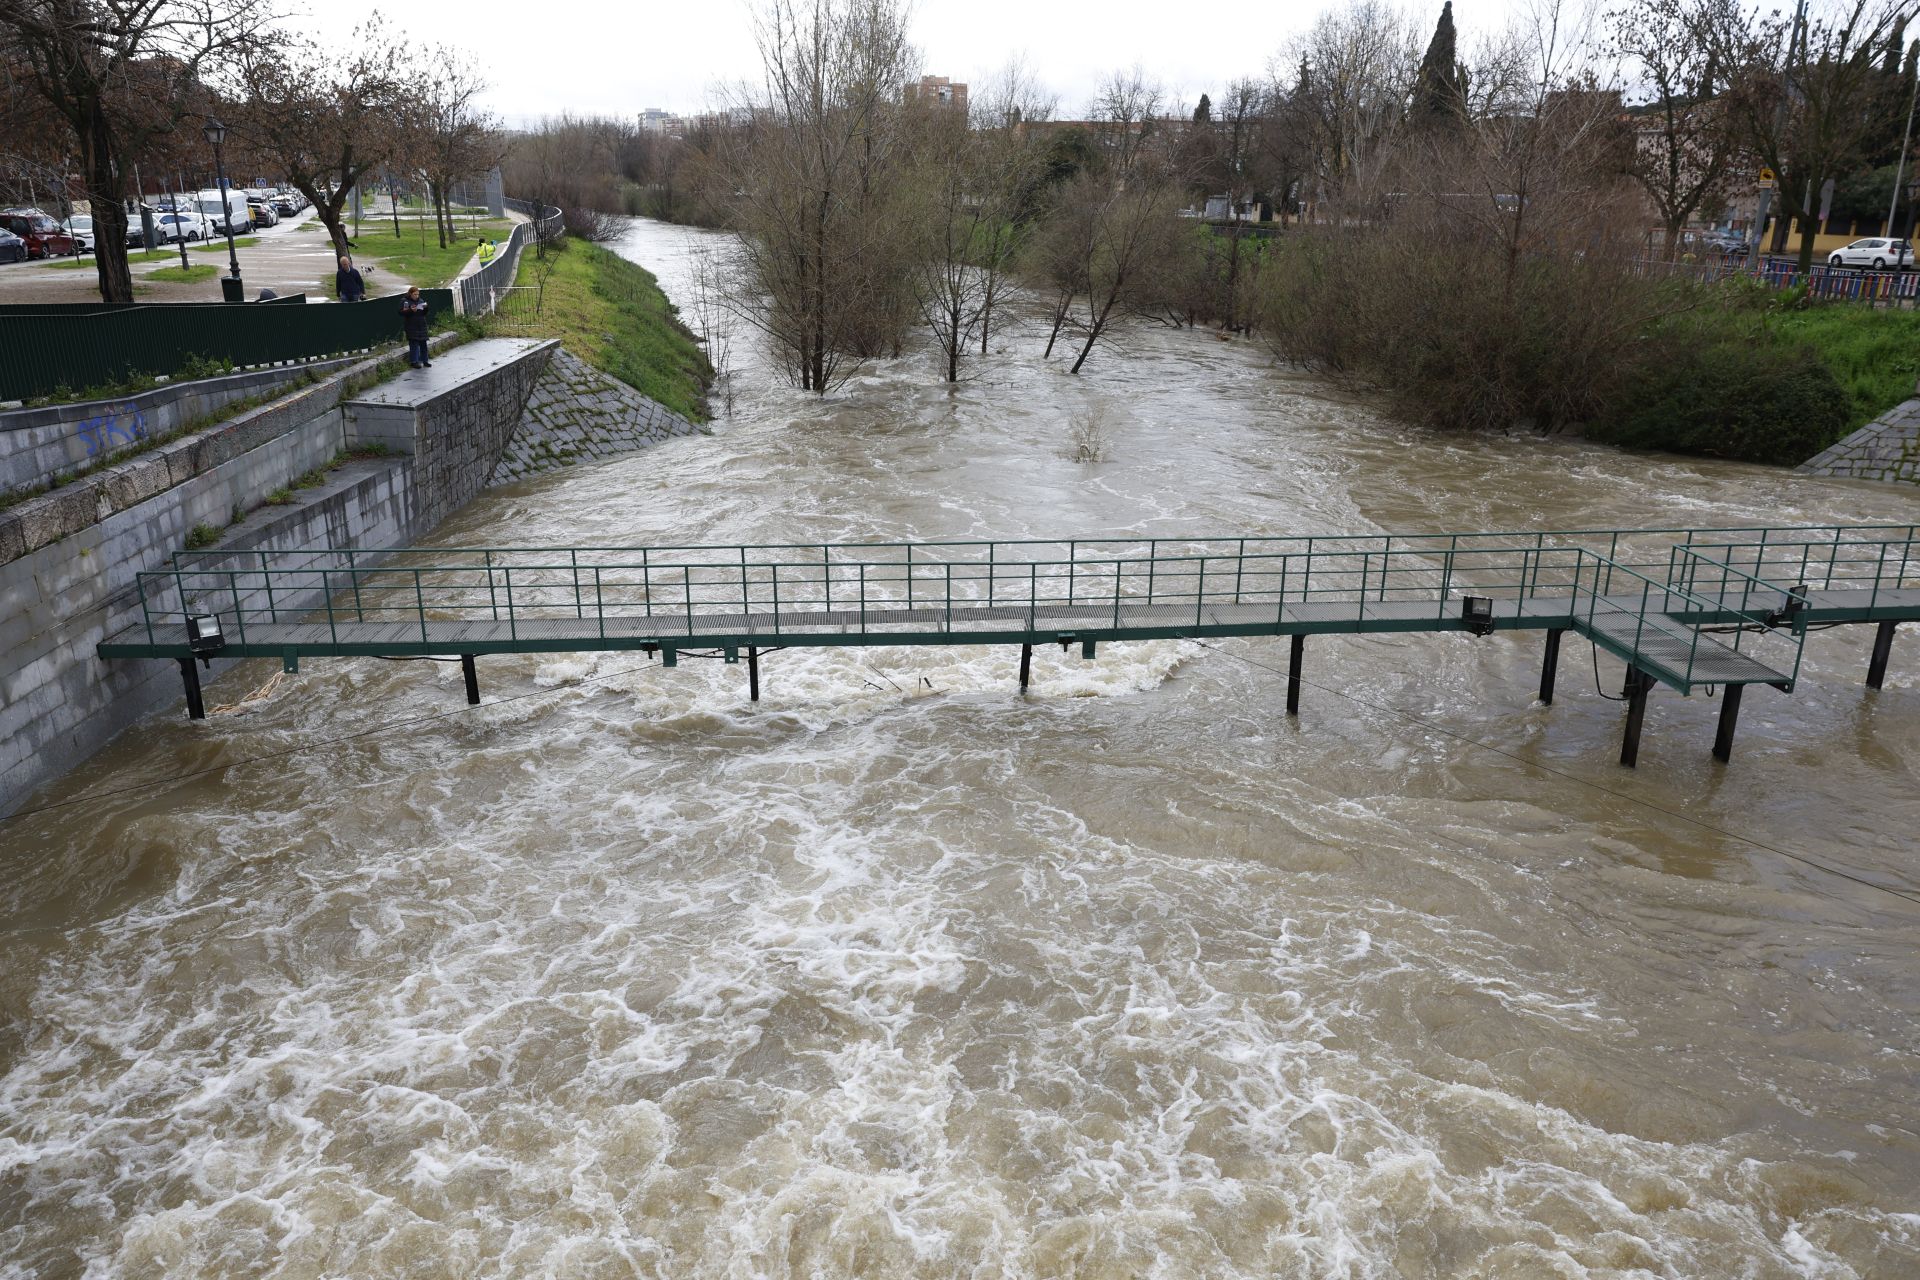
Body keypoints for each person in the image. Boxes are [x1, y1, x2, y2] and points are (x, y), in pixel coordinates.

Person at [400, 286, 432, 368]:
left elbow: (424, 313)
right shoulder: (405, 301)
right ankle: (414, 361)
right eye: (415, 294)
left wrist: (426, 308)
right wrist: (411, 310)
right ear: (410, 294)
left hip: (421, 324)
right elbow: (401, 312)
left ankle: (425, 361)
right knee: (414, 344)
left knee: (423, 344)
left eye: (418, 294)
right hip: (411, 325)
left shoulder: (421, 300)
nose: (416, 296)